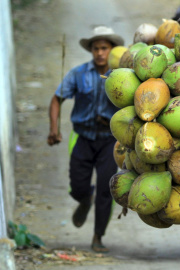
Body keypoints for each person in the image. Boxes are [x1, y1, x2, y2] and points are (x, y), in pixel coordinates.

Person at [47, 26, 124, 253]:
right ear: (91, 50)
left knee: (105, 189)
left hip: (110, 141)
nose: (100, 52)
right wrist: (54, 129)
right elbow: (56, 99)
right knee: (77, 186)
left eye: (104, 48)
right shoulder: (78, 73)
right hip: (82, 137)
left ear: (111, 50)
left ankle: (98, 236)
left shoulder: (121, 76)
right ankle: (83, 197)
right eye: (96, 48)